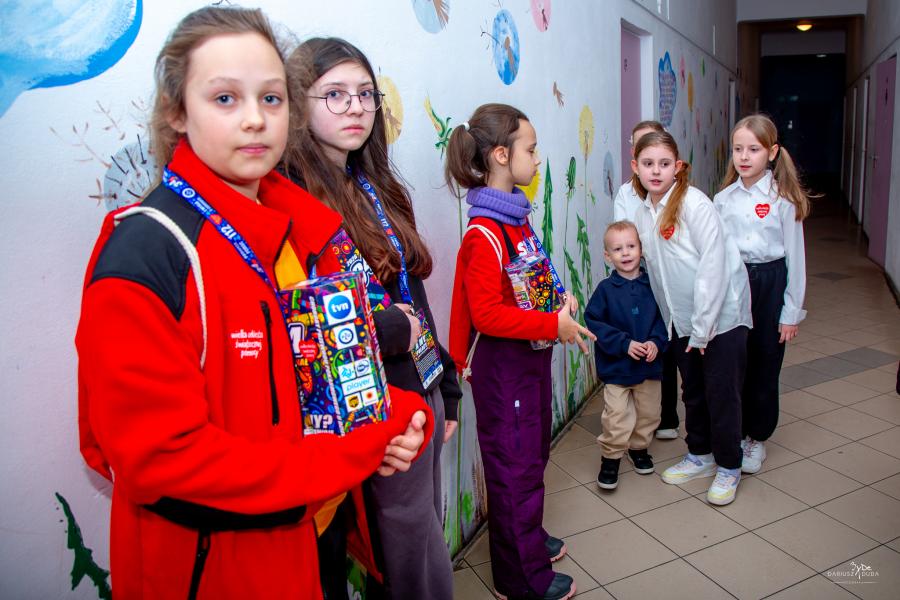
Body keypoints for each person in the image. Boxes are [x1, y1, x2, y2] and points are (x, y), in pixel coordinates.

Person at [75, 8, 432, 599]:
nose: (254, 120)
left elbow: (312, 376)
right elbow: (159, 460)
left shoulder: (297, 233)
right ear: (175, 111)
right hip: (215, 562)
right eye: (224, 98)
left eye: (271, 98)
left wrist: (393, 414)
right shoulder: (149, 252)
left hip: (312, 531)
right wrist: (356, 450)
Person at [282, 37, 459, 600]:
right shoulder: (289, 201)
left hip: (419, 387)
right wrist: (391, 330)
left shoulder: (374, 185)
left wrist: (445, 382)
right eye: (335, 94)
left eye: (365, 94)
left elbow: (412, 294)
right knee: (397, 559)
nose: (356, 107)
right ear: (297, 104)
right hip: (369, 411)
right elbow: (299, 325)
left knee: (422, 540)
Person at [445, 103, 594, 600]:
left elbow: (529, 280)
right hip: (504, 370)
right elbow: (487, 314)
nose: (537, 157)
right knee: (514, 471)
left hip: (529, 361)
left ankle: (526, 538)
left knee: (530, 457)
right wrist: (553, 324)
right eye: (531, 149)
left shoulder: (515, 218)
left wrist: (559, 302)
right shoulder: (484, 233)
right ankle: (519, 579)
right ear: (502, 155)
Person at [631, 131, 752, 506]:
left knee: (722, 394)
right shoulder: (642, 211)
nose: (655, 171)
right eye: (648, 164)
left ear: (678, 167)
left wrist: (702, 330)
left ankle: (729, 465)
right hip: (681, 321)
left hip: (721, 320)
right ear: (635, 167)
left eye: (664, 164)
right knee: (693, 391)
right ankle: (701, 454)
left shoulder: (695, 204)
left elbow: (712, 269)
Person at [714, 114, 809, 474]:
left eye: (753, 149)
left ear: (771, 152)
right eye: (738, 149)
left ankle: (757, 437)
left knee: (765, 361)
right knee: (735, 361)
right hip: (735, 282)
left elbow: (796, 259)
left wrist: (791, 311)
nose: (744, 156)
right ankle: (735, 432)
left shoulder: (783, 199)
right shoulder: (722, 199)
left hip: (771, 282)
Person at [584, 221, 668, 490]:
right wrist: (624, 344)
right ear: (608, 256)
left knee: (649, 414)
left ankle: (639, 448)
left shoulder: (654, 285)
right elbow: (594, 322)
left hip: (649, 368)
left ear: (641, 249)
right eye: (618, 249)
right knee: (616, 416)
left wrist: (656, 342)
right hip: (617, 369)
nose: (626, 253)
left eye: (631, 246)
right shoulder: (605, 290)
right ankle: (611, 458)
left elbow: (664, 318)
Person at [613, 120, 679, 440]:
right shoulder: (626, 193)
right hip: (639, 278)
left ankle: (666, 417)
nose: (653, 167)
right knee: (642, 341)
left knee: (665, 343)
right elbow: (623, 234)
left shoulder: (680, 196)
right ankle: (639, 416)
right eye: (640, 149)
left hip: (668, 278)